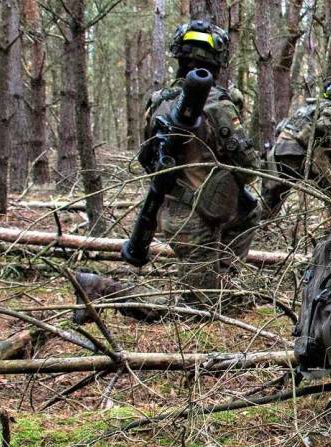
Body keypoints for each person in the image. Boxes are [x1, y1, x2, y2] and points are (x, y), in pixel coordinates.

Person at [73, 20, 261, 323]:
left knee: (249, 211)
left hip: (175, 211)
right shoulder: (217, 105)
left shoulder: (158, 102)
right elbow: (250, 168)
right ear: (218, 60)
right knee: (195, 313)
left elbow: (147, 155)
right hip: (197, 220)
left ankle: (221, 287)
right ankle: (102, 289)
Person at [262, 80, 331, 219]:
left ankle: (257, 230)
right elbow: (322, 128)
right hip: (299, 155)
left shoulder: (308, 107)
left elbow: (280, 129)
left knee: (270, 201)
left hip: (277, 154)